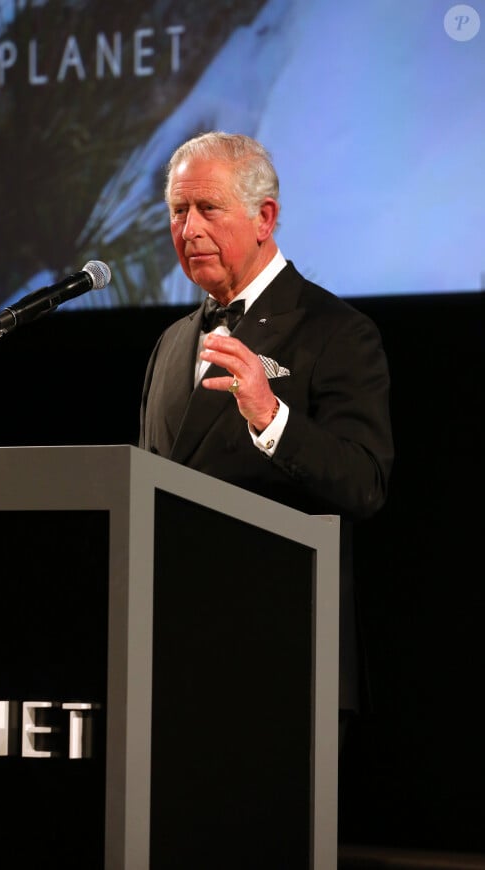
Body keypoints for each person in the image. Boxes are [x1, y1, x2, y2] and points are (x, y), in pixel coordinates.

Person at [139, 130, 394, 738]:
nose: (189, 229)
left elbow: (364, 483)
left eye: (208, 208)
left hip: (280, 653)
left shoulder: (336, 332)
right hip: (169, 656)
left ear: (265, 218)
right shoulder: (171, 343)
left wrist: (270, 417)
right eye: (178, 211)